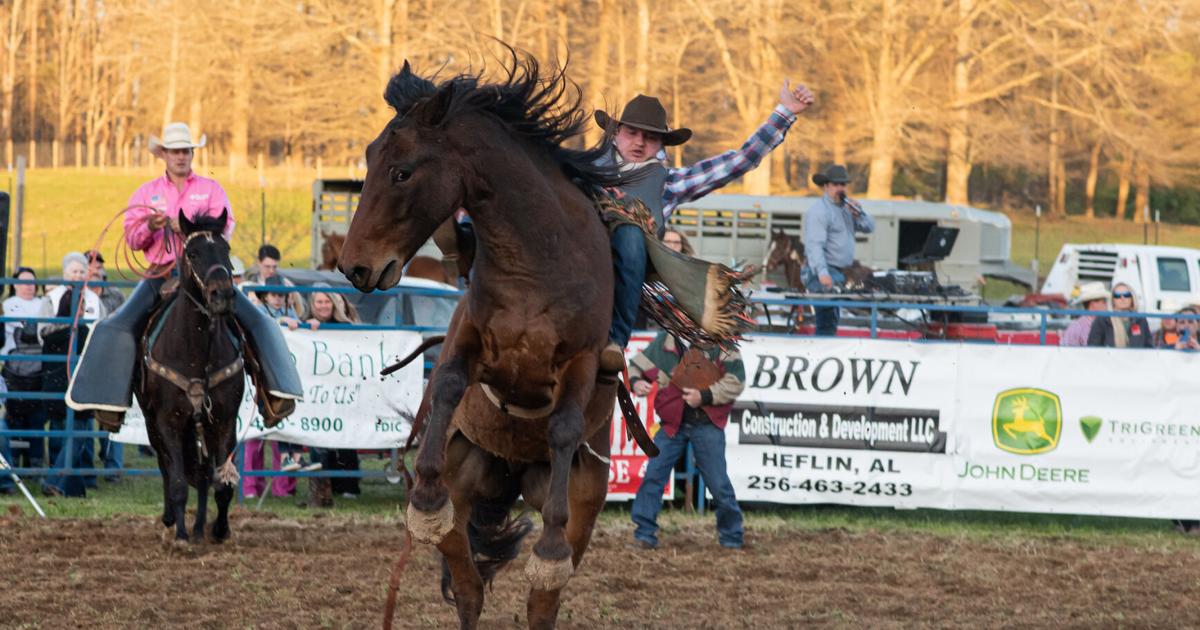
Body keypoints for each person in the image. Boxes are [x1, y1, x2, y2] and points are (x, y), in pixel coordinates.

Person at [65, 122, 303, 431]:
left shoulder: (211, 189)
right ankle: (110, 401)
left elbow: (225, 228)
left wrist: (188, 228)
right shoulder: (146, 193)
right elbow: (133, 239)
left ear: (192, 154)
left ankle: (274, 394)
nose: (181, 156)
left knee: (257, 319)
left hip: (205, 271)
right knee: (120, 323)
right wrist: (151, 227)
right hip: (161, 271)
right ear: (163, 154)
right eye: (175, 151)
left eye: (186, 151)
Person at [595, 82, 815, 373]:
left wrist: (785, 112)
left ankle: (616, 341)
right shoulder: (589, 167)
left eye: (649, 137)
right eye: (632, 133)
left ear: (661, 144)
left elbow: (739, 161)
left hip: (624, 266)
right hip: (578, 251)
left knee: (631, 235)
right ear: (616, 133)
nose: (638, 143)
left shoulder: (668, 184)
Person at [627, 330, 746, 550]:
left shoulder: (719, 343)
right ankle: (644, 534)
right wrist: (635, 381)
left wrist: (705, 395)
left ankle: (731, 537)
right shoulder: (667, 340)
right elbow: (635, 366)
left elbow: (737, 381)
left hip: (702, 423)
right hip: (675, 424)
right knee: (654, 476)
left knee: (718, 484)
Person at [41, 254, 106, 496]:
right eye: (78, 307)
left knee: (68, 435)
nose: (81, 310)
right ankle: (55, 481)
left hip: (65, 387)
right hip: (71, 387)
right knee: (73, 435)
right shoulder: (76, 332)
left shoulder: (56, 333)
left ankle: (68, 483)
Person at [303, 283, 364, 504]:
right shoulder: (306, 325)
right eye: (319, 301)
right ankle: (322, 487)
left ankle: (349, 485)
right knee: (319, 439)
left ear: (333, 303)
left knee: (345, 437)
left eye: (327, 301)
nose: (323, 305)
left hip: (342, 390)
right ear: (313, 304)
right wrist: (302, 327)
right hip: (317, 392)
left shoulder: (345, 326)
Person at [801, 164, 876, 336]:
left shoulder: (848, 209)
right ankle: (821, 351)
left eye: (843, 184)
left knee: (832, 318)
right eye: (835, 185)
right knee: (827, 320)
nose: (840, 188)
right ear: (826, 187)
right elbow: (814, 246)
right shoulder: (819, 211)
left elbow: (870, 227)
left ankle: (824, 347)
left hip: (840, 271)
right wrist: (822, 273)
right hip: (820, 270)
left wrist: (860, 213)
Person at [2, 267, 46, 473]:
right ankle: (14, 464)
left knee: (36, 420)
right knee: (14, 418)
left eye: (32, 281)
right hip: (14, 371)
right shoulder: (7, 305)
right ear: (14, 284)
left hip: (38, 371)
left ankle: (35, 465)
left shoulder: (43, 304)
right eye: (24, 281)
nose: (29, 285)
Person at [244, 244, 306, 317]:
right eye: (267, 266)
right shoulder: (248, 285)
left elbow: (301, 311)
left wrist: (292, 302)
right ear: (258, 262)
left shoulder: (286, 284)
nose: (271, 271)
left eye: (275, 267)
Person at [1087, 282, 1153, 348]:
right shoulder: (1102, 320)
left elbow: (1149, 347)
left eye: (1126, 295)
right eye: (1117, 296)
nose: (1122, 298)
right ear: (1113, 300)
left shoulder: (1141, 320)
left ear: (1132, 298)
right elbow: (1093, 347)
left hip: (1136, 358)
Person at [1059, 281, 1108, 347]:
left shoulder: (1078, 326)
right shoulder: (1078, 327)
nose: (1106, 304)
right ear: (1093, 303)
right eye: (1104, 301)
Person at [84, 250, 126, 316]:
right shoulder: (77, 296)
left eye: (98, 268)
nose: (95, 272)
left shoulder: (116, 295)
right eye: (90, 269)